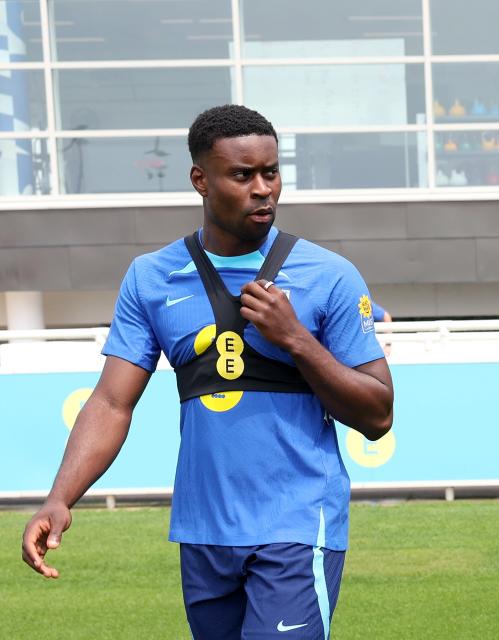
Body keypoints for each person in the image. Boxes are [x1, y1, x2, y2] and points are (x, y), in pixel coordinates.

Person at [21, 104, 393, 639]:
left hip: (296, 524)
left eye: (271, 172)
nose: (263, 188)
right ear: (201, 179)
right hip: (204, 532)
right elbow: (110, 403)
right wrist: (59, 498)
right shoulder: (152, 278)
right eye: (243, 175)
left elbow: (378, 413)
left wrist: (295, 339)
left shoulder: (329, 275)